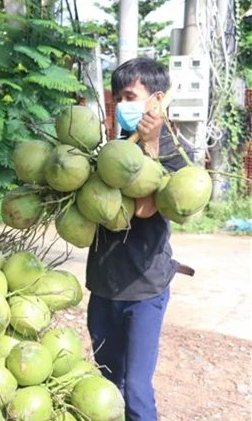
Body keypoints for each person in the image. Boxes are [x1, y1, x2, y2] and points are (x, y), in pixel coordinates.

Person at [86, 57, 194, 421]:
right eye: (117, 97)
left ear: (157, 99)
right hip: (103, 284)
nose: (122, 104)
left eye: (130, 95)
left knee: (135, 389)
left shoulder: (177, 154)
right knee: (105, 380)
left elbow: (145, 207)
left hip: (144, 288)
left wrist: (149, 145)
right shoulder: (110, 151)